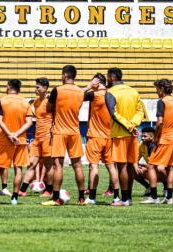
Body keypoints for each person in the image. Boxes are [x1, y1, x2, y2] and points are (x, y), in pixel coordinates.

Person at [42, 65, 86, 206]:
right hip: (75, 131)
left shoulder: (58, 90)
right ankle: (81, 198)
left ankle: (55, 198)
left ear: (65, 75)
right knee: (78, 165)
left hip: (60, 132)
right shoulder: (80, 91)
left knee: (58, 166)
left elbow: (48, 109)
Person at [0, 79, 33, 205]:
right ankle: (15, 198)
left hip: (6, 139)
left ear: (8, 87)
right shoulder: (25, 102)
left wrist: (10, 134)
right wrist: (16, 134)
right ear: (19, 89)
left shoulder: (2, 100)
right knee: (18, 169)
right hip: (20, 140)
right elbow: (29, 122)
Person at [105, 67, 145, 206]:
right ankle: (129, 198)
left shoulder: (110, 92)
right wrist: (133, 125)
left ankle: (124, 199)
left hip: (120, 134)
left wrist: (128, 126)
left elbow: (113, 113)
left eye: (107, 77)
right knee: (130, 166)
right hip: (132, 134)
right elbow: (141, 111)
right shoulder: (133, 91)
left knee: (122, 166)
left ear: (112, 77)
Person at [140, 79, 173, 205]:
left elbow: (159, 122)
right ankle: (169, 198)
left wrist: (156, 136)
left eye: (157, 89)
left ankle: (154, 197)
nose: (156, 91)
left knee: (151, 166)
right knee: (170, 168)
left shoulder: (162, 101)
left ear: (162, 89)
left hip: (165, 139)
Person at [83, 73, 120, 205]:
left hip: (95, 136)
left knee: (94, 166)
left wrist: (88, 87)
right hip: (109, 136)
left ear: (97, 82)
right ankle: (116, 196)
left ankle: (92, 197)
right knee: (111, 167)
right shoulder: (111, 94)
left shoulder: (94, 95)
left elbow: (75, 96)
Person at [19, 78, 54, 198]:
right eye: (35, 87)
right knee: (31, 164)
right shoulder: (36, 102)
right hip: (37, 137)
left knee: (48, 165)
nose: (36, 89)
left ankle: (49, 190)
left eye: (38, 87)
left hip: (48, 137)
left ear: (45, 88)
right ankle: (22, 190)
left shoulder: (50, 102)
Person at [134, 127, 166, 195]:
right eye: (141, 136)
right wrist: (136, 167)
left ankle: (166, 188)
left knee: (161, 168)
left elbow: (157, 164)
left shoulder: (158, 145)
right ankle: (148, 187)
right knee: (133, 169)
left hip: (159, 171)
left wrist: (145, 168)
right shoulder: (141, 145)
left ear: (151, 137)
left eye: (145, 136)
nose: (142, 138)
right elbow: (136, 159)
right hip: (150, 169)